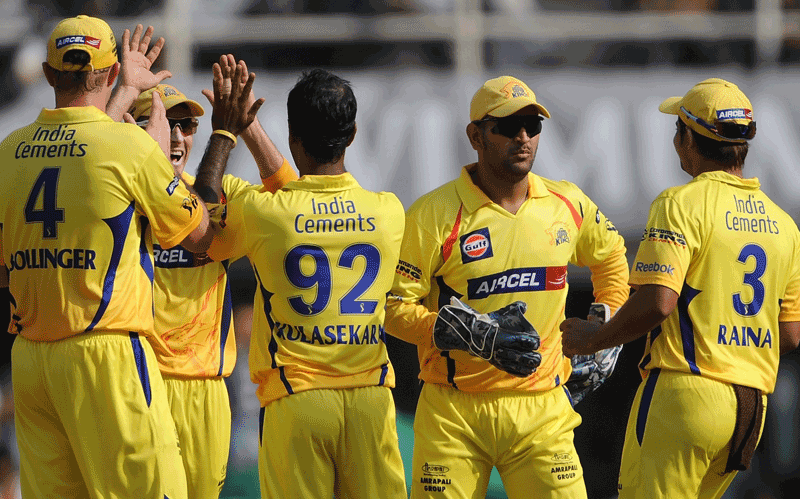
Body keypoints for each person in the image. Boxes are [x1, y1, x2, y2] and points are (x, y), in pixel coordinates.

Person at [0, 15, 218, 498]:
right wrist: (159, 163)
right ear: (110, 73)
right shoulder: (132, 149)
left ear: (50, 74)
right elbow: (198, 234)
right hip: (107, 355)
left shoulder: (7, 151)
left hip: (32, 364)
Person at [384, 75, 630, 499]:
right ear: (475, 136)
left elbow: (612, 258)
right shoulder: (432, 214)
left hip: (543, 408)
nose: (523, 138)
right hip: (452, 412)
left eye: (532, 127)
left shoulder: (566, 203)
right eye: (507, 127)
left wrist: (605, 326)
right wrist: (460, 332)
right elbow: (392, 308)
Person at [561, 78, 800, 499]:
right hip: (752, 406)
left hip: (686, 394)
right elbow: (792, 333)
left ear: (687, 137)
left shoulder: (679, 203)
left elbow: (659, 302)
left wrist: (594, 339)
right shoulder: (785, 225)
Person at [194, 68, 408, 499]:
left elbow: (198, 209)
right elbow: (305, 198)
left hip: (297, 400)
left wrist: (228, 130)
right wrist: (252, 127)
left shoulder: (263, 214)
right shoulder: (389, 212)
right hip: (370, 401)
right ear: (352, 136)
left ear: (293, 139)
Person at [123, 64, 296, 497]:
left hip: (209, 389)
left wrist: (247, 125)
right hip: (142, 382)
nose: (178, 135)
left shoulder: (226, 192)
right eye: (162, 121)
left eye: (188, 124)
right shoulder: (117, 195)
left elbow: (293, 201)